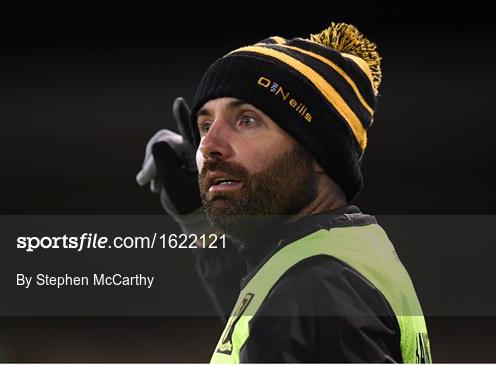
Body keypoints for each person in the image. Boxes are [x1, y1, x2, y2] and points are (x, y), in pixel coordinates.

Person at [137, 22, 432, 363]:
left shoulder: (317, 295)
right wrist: (203, 225)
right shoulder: (340, 255)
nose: (209, 147)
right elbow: (265, 327)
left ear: (317, 151)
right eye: (205, 125)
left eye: (247, 120)